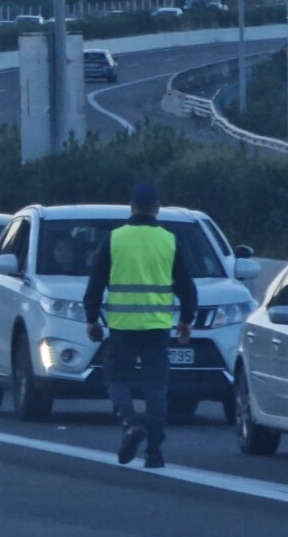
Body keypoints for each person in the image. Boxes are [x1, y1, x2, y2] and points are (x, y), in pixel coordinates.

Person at [82, 183, 197, 469]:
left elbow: (95, 284)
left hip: (122, 327)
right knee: (156, 387)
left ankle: (131, 423)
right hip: (158, 327)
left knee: (116, 379)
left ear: (131, 206)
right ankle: (155, 453)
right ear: (158, 207)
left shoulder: (114, 239)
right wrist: (186, 321)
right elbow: (187, 287)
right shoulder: (170, 241)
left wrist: (91, 319)